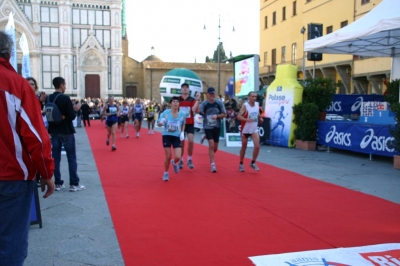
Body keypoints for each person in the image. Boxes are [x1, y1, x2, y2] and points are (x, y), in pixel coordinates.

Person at [0, 31, 55, 266]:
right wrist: (47, 172)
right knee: (10, 244)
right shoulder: (15, 84)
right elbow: (36, 137)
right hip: (11, 176)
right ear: (9, 53)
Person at [47, 77, 85, 192]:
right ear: (61, 85)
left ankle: (58, 183)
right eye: (65, 84)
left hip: (53, 131)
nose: (65, 87)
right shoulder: (65, 98)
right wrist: (75, 109)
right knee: (71, 157)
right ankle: (74, 183)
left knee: (56, 158)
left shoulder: (49, 97)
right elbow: (72, 116)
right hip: (66, 131)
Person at [157, 97, 186, 181]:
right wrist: (161, 122)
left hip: (177, 136)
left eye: (177, 102)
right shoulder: (166, 113)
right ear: (170, 104)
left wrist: (182, 132)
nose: (176, 103)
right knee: (168, 156)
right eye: (174, 102)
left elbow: (184, 123)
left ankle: (174, 162)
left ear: (179, 104)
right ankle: (166, 173)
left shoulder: (182, 114)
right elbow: (159, 124)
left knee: (178, 156)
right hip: (167, 135)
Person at [199, 87, 227, 173]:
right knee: (211, 145)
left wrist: (217, 116)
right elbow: (199, 113)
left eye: (213, 94)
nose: (212, 95)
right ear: (207, 94)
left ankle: (205, 136)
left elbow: (225, 114)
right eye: (210, 94)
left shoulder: (219, 103)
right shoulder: (204, 104)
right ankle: (213, 164)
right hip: (207, 127)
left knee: (215, 148)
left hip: (216, 126)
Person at [237, 91, 264, 172]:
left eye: (255, 96)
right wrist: (247, 120)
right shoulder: (245, 106)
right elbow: (238, 116)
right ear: (248, 97)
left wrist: (260, 118)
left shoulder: (257, 104)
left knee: (257, 146)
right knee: (244, 147)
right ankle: (241, 163)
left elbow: (257, 114)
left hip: (254, 129)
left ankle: (253, 162)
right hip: (245, 129)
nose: (254, 98)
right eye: (252, 96)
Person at [178, 83, 201, 169]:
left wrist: (198, 100)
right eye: (183, 87)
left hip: (190, 123)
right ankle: (180, 160)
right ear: (181, 89)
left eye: (186, 88)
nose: (184, 89)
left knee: (191, 141)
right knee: (181, 143)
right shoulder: (178, 99)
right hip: (181, 124)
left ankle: (189, 159)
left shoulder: (192, 99)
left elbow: (195, 110)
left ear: (189, 89)